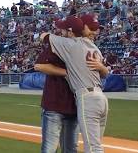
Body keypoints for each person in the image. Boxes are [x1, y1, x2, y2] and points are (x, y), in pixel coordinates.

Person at [41, 14, 109, 153]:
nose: (94, 32)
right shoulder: (95, 48)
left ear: (72, 31)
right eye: (91, 29)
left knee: (92, 147)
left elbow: (44, 36)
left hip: (87, 97)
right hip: (101, 98)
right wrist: (103, 68)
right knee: (96, 143)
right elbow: (104, 73)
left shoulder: (71, 45)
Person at [34, 20, 78, 153]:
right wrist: (67, 73)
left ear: (70, 32)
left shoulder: (82, 46)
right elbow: (39, 65)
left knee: (67, 149)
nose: (60, 32)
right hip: (56, 104)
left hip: (71, 104)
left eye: (63, 29)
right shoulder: (56, 46)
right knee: (52, 148)